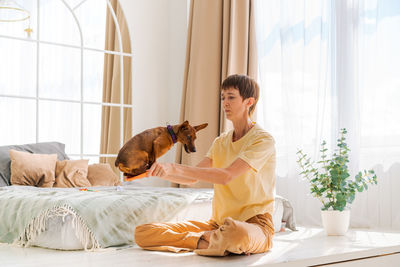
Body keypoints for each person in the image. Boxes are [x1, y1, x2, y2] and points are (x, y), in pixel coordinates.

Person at [134, 74, 276, 256]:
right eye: (223, 97)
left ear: (249, 102)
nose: (225, 103)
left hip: (255, 224)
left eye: (231, 97)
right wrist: (158, 171)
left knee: (239, 235)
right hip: (218, 226)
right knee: (143, 233)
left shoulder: (262, 139)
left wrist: (174, 167)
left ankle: (217, 241)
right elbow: (193, 177)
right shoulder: (221, 141)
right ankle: (213, 242)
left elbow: (226, 176)